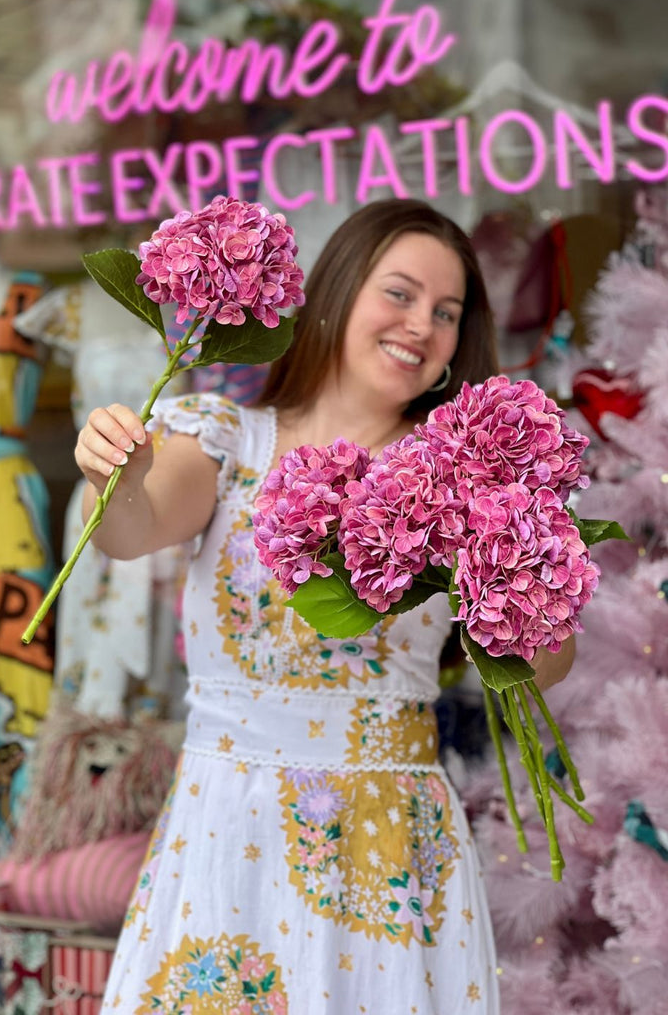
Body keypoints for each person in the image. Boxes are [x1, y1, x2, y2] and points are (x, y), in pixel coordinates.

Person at [77, 198, 574, 1014]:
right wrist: (113, 476)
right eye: (401, 293)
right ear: (339, 292)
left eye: (447, 312)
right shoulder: (227, 439)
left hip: (393, 841)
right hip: (231, 827)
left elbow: (542, 670)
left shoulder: (467, 490)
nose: (422, 325)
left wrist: (528, 570)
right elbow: (130, 530)